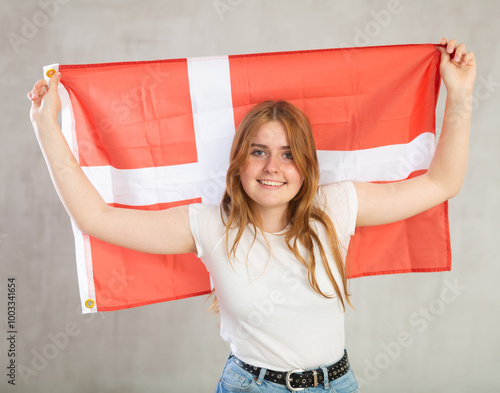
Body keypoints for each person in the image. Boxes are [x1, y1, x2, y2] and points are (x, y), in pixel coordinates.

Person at [28, 38, 476, 392]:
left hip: (338, 384)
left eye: (287, 155)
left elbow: (441, 184)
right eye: (259, 151)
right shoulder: (208, 226)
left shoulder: (336, 207)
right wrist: (46, 128)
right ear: (240, 160)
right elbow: (97, 218)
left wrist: (459, 95)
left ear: (306, 166)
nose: (272, 168)